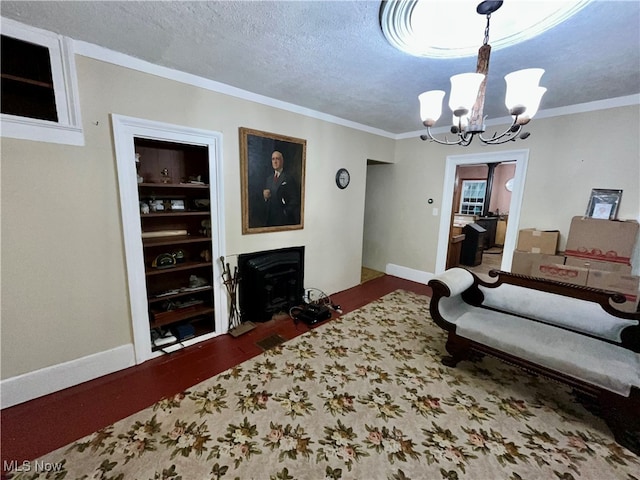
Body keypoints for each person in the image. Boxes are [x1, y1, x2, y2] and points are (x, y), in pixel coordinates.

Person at [263, 150, 300, 226]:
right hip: (270, 219)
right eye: (273, 159)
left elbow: (295, 199)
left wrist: (285, 212)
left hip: (283, 220)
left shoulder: (288, 178)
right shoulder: (269, 179)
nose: (275, 161)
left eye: (277, 159)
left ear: (282, 161)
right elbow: (267, 199)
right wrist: (265, 197)